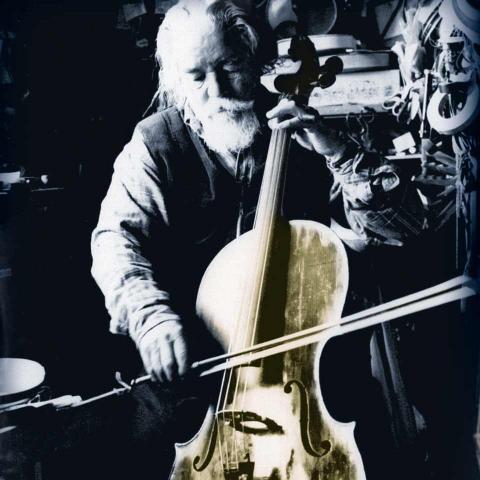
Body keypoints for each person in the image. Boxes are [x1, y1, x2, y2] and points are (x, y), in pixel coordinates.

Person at [91, 1, 428, 478]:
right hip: (199, 375)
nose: (217, 91)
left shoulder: (305, 127)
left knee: (376, 450)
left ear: (254, 59)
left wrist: (336, 150)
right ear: (174, 80)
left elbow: (405, 229)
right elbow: (116, 241)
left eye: (228, 68)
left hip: (309, 379)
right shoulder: (154, 145)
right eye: (196, 76)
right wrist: (150, 316)